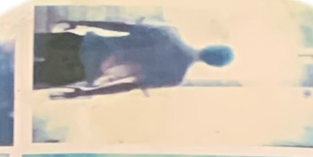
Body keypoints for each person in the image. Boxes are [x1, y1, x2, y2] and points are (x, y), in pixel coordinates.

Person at [37, 18, 235, 100]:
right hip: (82, 69)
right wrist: (83, 92)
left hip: (80, 44)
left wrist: (78, 23)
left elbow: (119, 26)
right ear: (211, 64)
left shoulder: (168, 34)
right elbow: (126, 86)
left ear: (210, 46)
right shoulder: (175, 76)